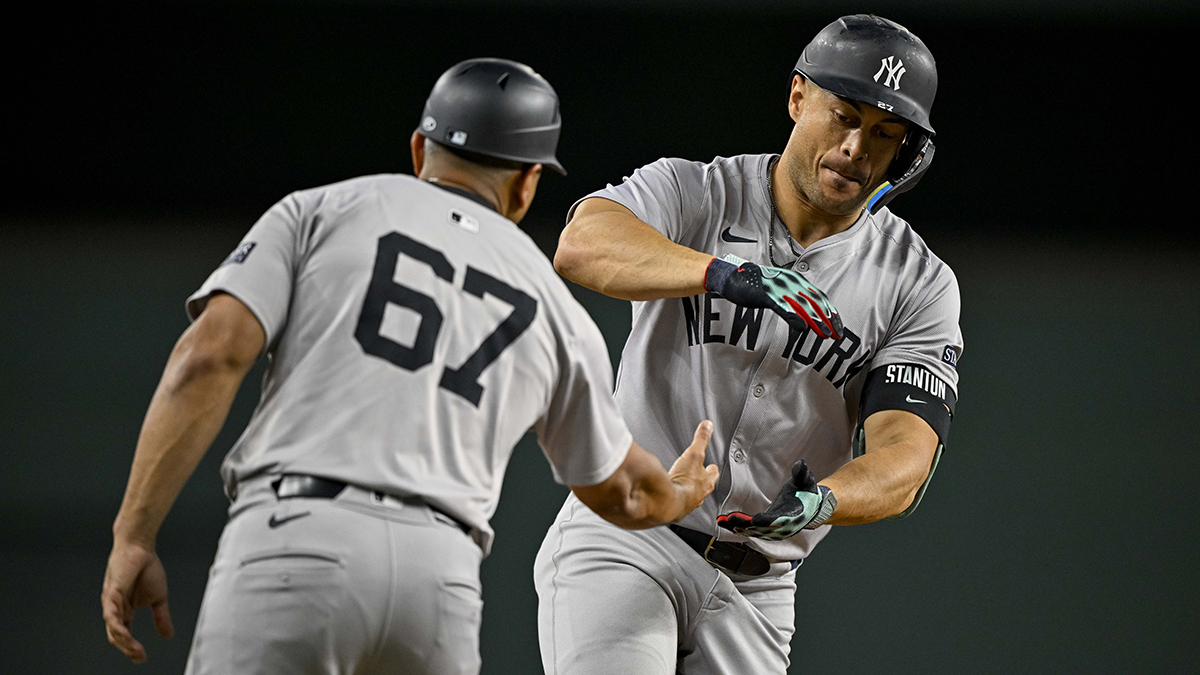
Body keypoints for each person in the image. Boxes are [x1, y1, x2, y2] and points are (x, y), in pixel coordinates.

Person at [101, 57, 719, 674]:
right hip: (439, 580)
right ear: (528, 181)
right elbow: (625, 492)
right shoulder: (553, 304)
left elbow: (208, 356)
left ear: (421, 149)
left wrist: (133, 535)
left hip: (300, 538)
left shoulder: (325, 209)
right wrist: (681, 493)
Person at [536, 15, 962, 674]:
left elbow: (905, 454)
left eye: (884, 134)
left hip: (758, 589)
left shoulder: (917, 282)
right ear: (797, 98)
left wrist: (828, 498)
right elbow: (583, 244)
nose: (855, 147)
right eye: (842, 115)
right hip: (629, 534)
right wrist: (723, 273)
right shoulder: (697, 191)